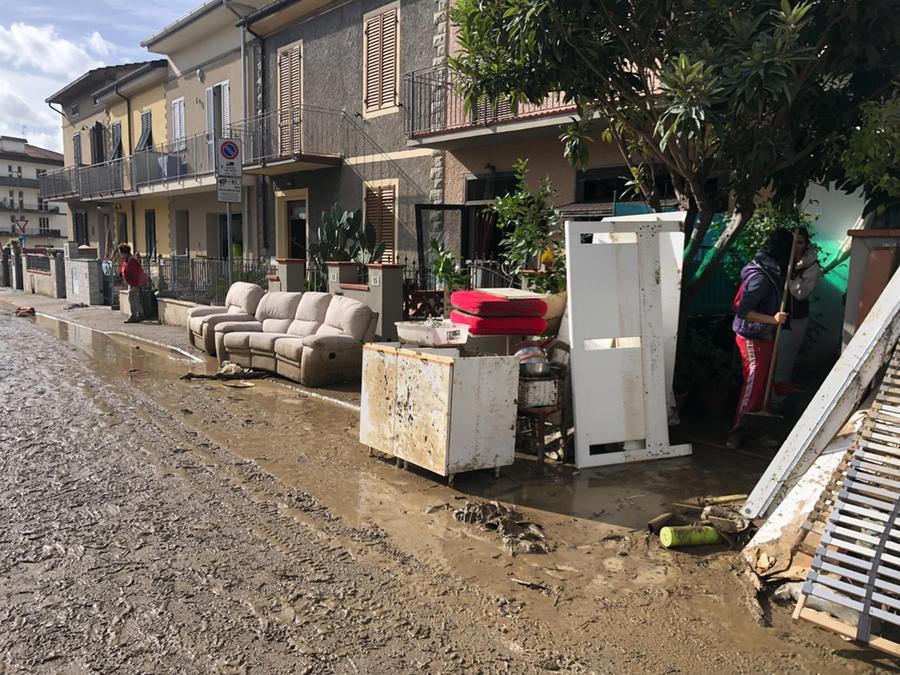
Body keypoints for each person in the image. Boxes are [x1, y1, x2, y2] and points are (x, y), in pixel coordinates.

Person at [726, 229, 793, 449]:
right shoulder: (761, 277)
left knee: (763, 384)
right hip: (751, 335)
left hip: (762, 334)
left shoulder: (771, 269)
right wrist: (773, 319)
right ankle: (737, 431)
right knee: (754, 383)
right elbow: (743, 310)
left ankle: (753, 430)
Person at [774, 228, 821, 393]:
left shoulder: (811, 266)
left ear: (806, 245)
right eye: (792, 242)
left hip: (795, 319)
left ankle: (777, 399)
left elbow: (801, 294)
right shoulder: (776, 260)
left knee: (784, 362)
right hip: (771, 317)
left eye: (799, 242)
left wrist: (790, 275)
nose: (795, 246)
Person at [119, 244, 146, 324]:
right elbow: (125, 268)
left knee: (131, 297)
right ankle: (140, 314)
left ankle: (134, 316)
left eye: (121, 253)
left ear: (124, 253)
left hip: (134, 282)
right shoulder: (127, 259)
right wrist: (121, 273)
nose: (120, 255)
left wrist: (134, 284)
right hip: (131, 282)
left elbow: (135, 273)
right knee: (135, 298)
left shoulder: (132, 260)